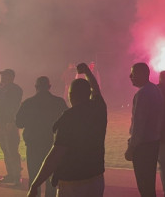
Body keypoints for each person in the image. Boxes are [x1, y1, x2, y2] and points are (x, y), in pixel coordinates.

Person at [27, 63, 107, 197]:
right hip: (96, 177)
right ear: (88, 94)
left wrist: (35, 184)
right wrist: (87, 72)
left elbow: (55, 155)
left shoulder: (68, 118)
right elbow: (96, 89)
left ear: (70, 95)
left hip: (73, 181)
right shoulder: (99, 109)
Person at [16, 76, 68, 197]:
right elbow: (68, 121)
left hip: (33, 144)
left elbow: (19, 122)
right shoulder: (59, 102)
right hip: (53, 144)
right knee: (52, 176)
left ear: (36, 87)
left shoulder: (28, 103)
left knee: (34, 176)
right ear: (49, 87)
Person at [125, 62, 164, 197]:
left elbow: (139, 124)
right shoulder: (155, 89)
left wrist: (131, 147)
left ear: (142, 74)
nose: (130, 76)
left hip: (143, 146)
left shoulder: (142, 94)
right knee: (149, 183)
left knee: (144, 184)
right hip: (153, 142)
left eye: (133, 73)